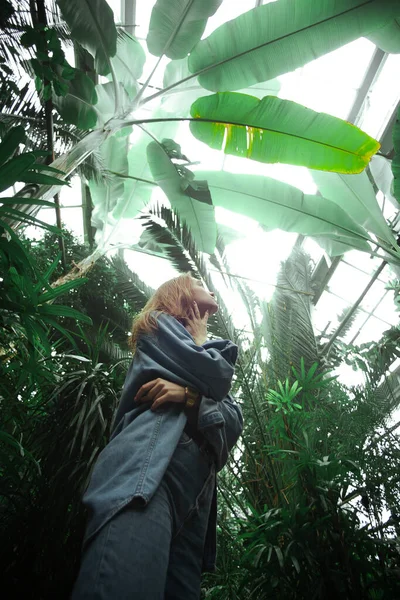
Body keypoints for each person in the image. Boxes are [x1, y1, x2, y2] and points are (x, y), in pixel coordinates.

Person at [70, 273, 243, 600]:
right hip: (149, 471)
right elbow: (218, 376)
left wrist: (186, 395)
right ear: (180, 293)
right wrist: (202, 343)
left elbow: (234, 421)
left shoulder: (189, 345)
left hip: (196, 502)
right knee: (122, 584)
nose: (210, 287)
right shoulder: (158, 324)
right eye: (199, 282)